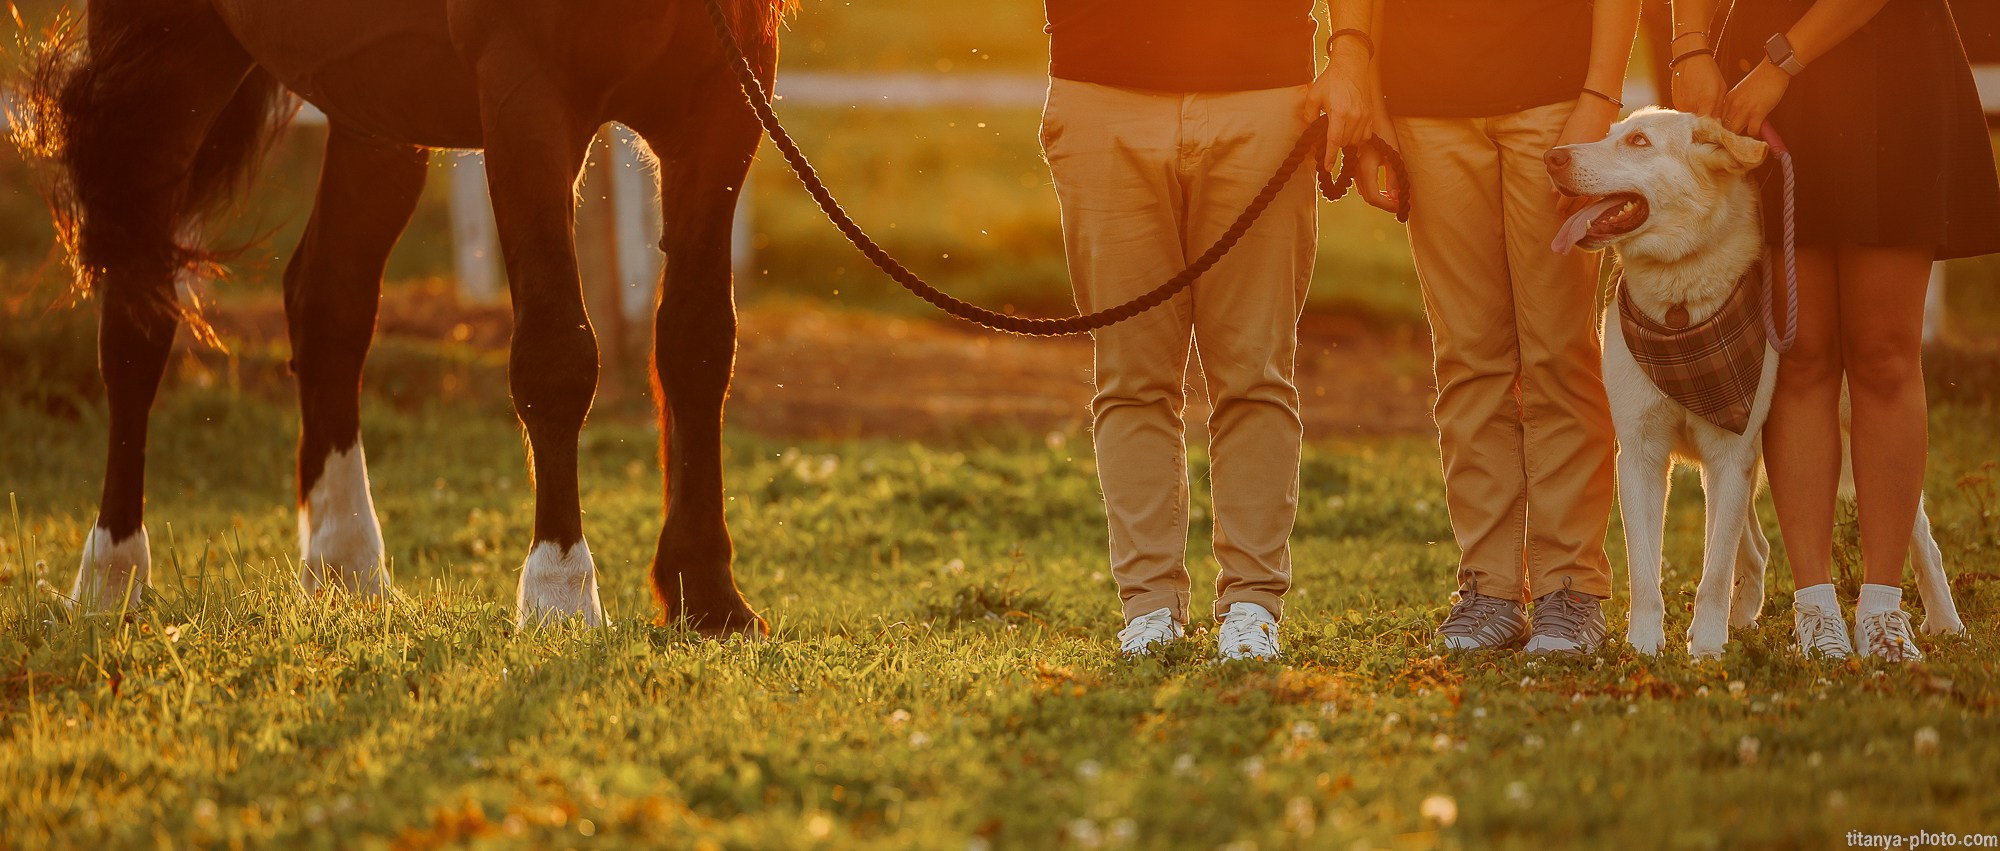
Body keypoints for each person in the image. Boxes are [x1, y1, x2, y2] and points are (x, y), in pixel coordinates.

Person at [1040, 0, 1374, 660]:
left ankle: (1251, 605)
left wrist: (1351, 54)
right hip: (1100, 93)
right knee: (1132, 376)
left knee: (1255, 371)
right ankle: (1149, 607)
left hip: (1264, 96)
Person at [1671, 0, 2000, 660]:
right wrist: (1689, 47)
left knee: (1883, 351)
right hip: (1761, 81)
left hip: (1887, 70)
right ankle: (1813, 605)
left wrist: (1782, 61)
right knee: (1801, 352)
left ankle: (1882, 605)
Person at [1334, 0, 1642, 654]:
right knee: (1469, 355)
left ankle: (1571, 588)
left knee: (1559, 350)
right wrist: (1372, 104)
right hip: (1423, 105)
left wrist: (1598, 96)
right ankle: (1491, 587)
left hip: (1555, 101)